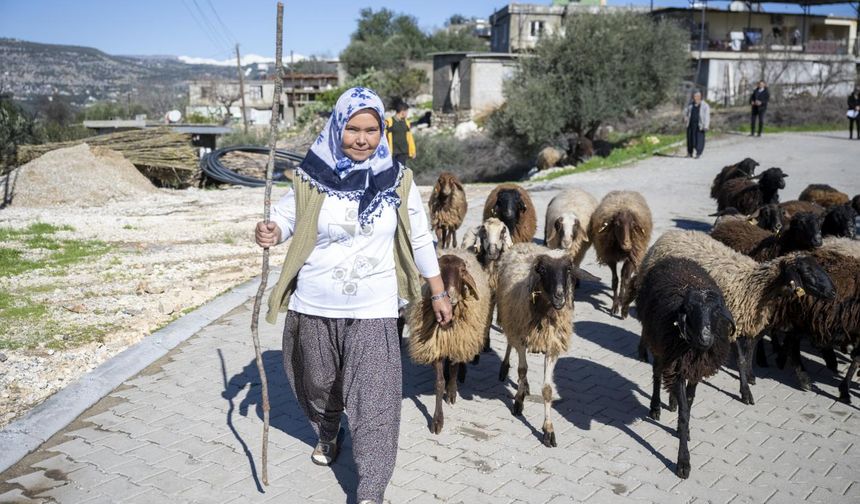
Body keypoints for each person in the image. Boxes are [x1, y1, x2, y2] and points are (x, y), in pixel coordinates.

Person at [254, 87, 452, 504]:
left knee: (375, 401)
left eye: (371, 130)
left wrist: (437, 292)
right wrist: (271, 230)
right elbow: (286, 218)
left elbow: (420, 238)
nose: (362, 139)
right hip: (313, 304)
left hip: (375, 308)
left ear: (383, 132)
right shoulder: (311, 176)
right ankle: (328, 431)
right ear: (337, 127)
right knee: (316, 384)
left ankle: (371, 490)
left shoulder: (398, 180)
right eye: (353, 129)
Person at [384, 101, 416, 166]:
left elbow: (410, 138)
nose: (407, 114)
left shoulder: (406, 122)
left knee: (401, 170)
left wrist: (413, 151)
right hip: (392, 153)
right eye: (407, 111)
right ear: (402, 112)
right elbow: (384, 137)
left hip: (403, 153)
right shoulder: (389, 122)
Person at [683, 90, 710, 159]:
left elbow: (707, 116)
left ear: (700, 97)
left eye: (697, 96)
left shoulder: (705, 105)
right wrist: (685, 117)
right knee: (690, 139)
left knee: (699, 140)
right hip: (691, 124)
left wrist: (706, 126)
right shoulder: (690, 105)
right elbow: (685, 112)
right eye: (694, 96)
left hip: (700, 125)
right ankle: (689, 153)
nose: (696, 98)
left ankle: (698, 153)